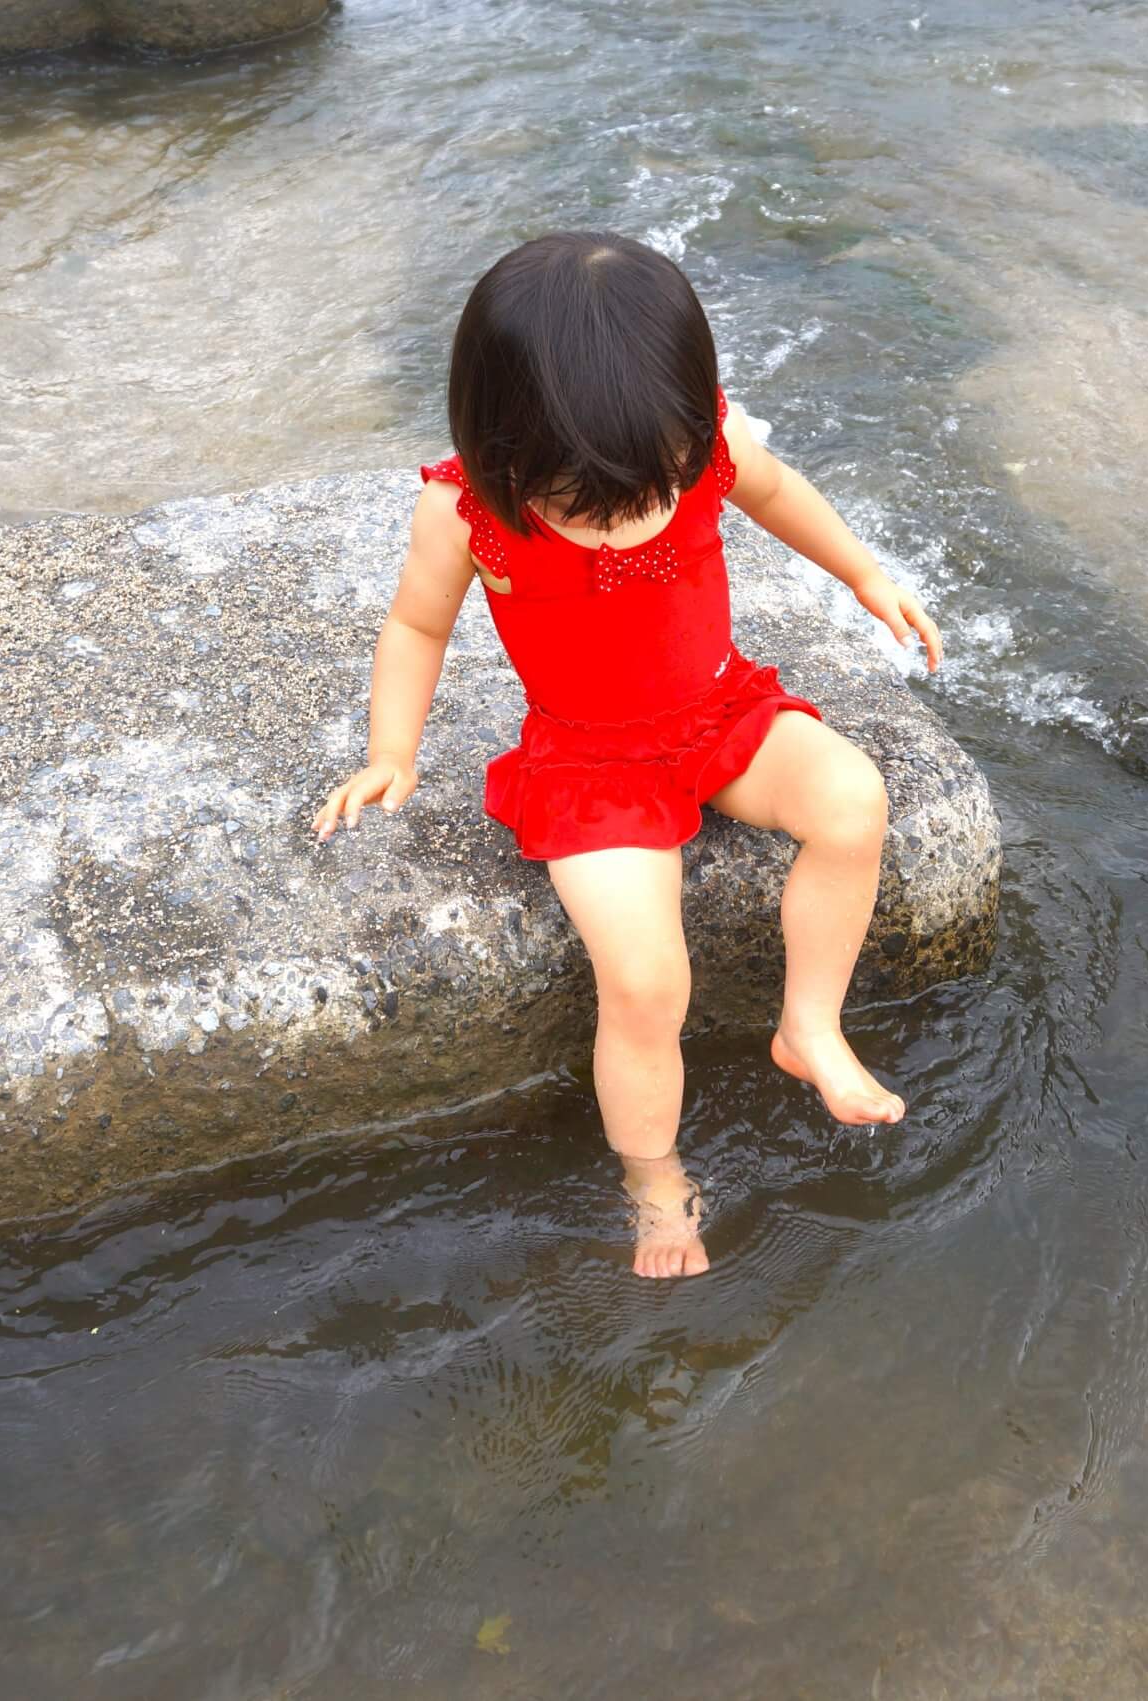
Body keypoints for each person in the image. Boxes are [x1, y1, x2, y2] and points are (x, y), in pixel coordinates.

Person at [314, 232, 945, 1278]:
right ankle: (652, 1177)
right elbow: (417, 628)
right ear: (497, 443)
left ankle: (811, 1026)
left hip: (718, 718)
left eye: (652, 481)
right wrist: (393, 749)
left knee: (852, 800)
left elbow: (782, 496)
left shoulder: (708, 446)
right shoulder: (464, 513)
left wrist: (865, 577)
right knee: (646, 980)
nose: (625, 512)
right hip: (590, 768)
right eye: (579, 495)